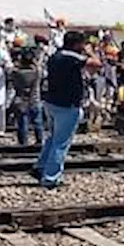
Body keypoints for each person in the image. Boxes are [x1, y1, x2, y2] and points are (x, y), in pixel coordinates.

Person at [34, 31, 93, 189]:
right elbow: (96, 63)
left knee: (53, 138)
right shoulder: (73, 57)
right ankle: (50, 177)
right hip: (67, 105)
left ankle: (41, 166)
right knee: (61, 142)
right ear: (77, 44)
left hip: (51, 102)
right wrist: (90, 51)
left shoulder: (55, 55)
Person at [9, 46, 43, 146]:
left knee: (22, 122)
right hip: (35, 99)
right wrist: (35, 61)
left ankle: (23, 141)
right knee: (37, 121)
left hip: (21, 99)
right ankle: (39, 140)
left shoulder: (16, 72)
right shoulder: (37, 72)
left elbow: (10, 71)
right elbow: (40, 68)